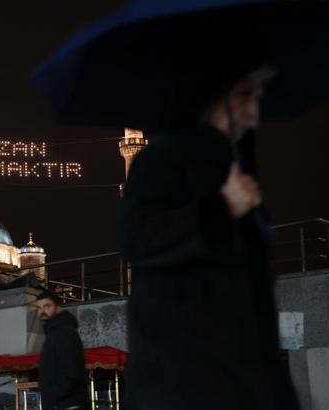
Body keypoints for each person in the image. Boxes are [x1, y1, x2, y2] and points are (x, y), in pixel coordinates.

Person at [117, 65, 299, 409]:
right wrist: (220, 207)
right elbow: (136, 237)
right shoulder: (165, 158)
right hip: (188, 384)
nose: (253, 112)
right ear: (215, 98)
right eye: (244, 97)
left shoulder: (231, 166)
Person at [36, 291, 89, 410]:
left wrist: (54, 397)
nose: (42, 311)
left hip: (67, 404)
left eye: (47, 306)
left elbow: (70, 369)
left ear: (58, 307)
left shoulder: (64, 332)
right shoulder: (55, 332)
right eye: (39, 308)